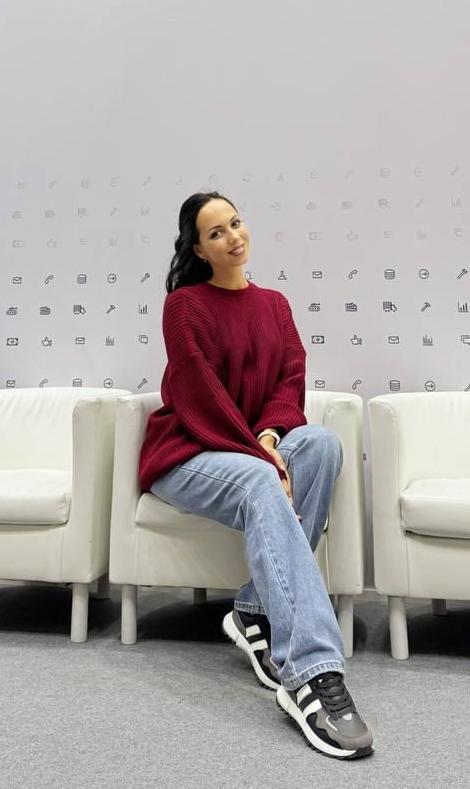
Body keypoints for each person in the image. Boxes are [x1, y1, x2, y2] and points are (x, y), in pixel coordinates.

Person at [138, 191, 374, 760]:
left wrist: (268, 441)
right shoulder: (184, 306)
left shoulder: (275, 304)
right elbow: (200, 395)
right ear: (198, 248)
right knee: (259, 479)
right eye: (215, 232)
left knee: (320, 444)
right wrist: (261, 459)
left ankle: (253, 611)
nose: (232, 237)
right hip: (188, 452)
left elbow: (290, 381)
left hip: (250, 450)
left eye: (235, 223)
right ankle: (311, 674)